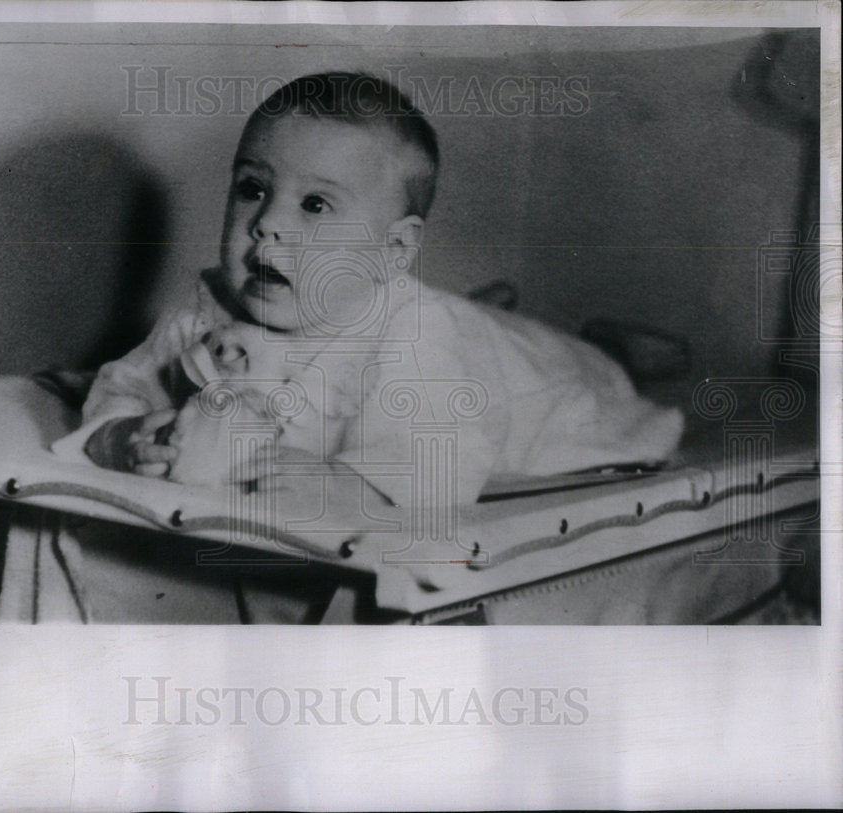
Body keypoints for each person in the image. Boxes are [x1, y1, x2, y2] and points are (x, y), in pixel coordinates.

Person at [53, 71, 683, 517]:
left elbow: (439, 458)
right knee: (460, 320)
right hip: (438, 320)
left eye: (316, 204)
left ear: (394, 251)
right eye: (252, 188)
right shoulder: (208, 309)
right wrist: (118, 436)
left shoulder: (416, 338)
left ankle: (610, 348)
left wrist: (349, 488)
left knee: (563, 373)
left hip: (519, 378)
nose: (268, 222)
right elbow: (124, 384)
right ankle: (485, 304)